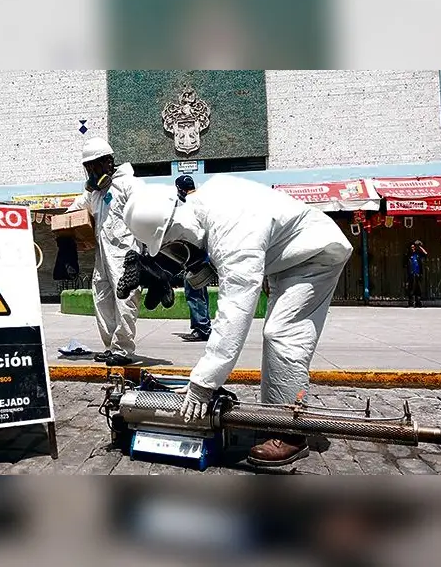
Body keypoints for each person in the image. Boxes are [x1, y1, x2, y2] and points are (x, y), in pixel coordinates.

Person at [123, 175, 353, 467]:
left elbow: (235, 310)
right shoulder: (204, 204)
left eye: (174, 246)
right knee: (277, 332)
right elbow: (210, 249)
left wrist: (203, 382)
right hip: (285, 258)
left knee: (282, 333)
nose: (177, 253)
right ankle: (275, 417)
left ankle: (292, 433)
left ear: (179, 227)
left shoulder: (233, 229)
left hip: (316, 253)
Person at [67, 138, 144, 367]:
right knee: (101, 299)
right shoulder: (95, 193)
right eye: (88, 167)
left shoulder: (130, 185)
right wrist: (59, 221)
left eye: (95, 166)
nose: (91, 171)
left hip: (126, 256)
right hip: (103, 255)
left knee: (125, 300)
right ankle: (111, 347)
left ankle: (124, 349)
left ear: (108, 163)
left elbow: (145, 215)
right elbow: (77, 208)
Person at [175, 175, 211, 342]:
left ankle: (202, 329)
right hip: (204, 256)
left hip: (195, 257)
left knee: (194, 293)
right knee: (200, 293)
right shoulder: (202, 201)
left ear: (180, 189)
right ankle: (202, 326)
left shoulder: (189, 205)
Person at [406, 240, 428, 308]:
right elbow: (404, 265)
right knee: (411, 289)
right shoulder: (408, 256)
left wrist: (420, 247)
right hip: (411, 274)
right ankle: (411, 303)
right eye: (411, 247)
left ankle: (418, 302)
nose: (413, 248)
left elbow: (425, 253)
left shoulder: (418, 254)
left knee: (418, 289)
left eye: (414, 247)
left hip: (418, 274)